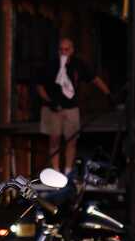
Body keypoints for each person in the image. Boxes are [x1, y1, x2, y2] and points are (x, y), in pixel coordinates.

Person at [36, 37, 112, 173]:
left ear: (72, 50)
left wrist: (108, 94)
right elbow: (39, 86)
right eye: (61, 50)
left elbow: (94, 79)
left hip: (71, 107)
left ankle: (68, 171)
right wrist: (49, 101)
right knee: (54, 140)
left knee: (71, 141)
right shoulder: (50, 65)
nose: (63, 52)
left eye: (66, 49)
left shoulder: (78, 65)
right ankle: (56, 171)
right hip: (53, 108)